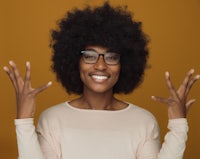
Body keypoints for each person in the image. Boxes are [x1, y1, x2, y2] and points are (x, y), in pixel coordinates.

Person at [3, 2, 200, 159]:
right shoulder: (52, 119)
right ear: (75, 61)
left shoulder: (143, 121)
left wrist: (178, 126)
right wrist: (24, 121)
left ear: (124, 64)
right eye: (90, 55)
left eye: (111, 57)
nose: (100, 65)